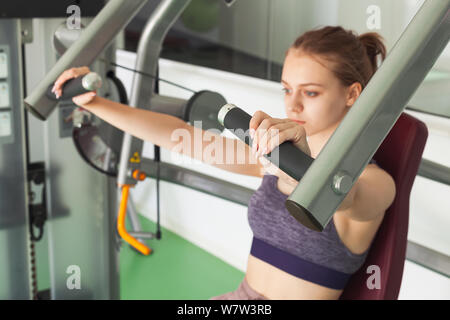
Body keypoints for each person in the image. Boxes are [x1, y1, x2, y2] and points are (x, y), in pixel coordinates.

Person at [52, 25, 396, 300]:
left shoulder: (373, 182)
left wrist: (302, 165)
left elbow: (345, 196)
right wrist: (95, 103)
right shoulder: (271, 160)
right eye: (286, 89)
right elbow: (180, 137)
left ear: (352, 94)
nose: (292, 106)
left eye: (310, 92)